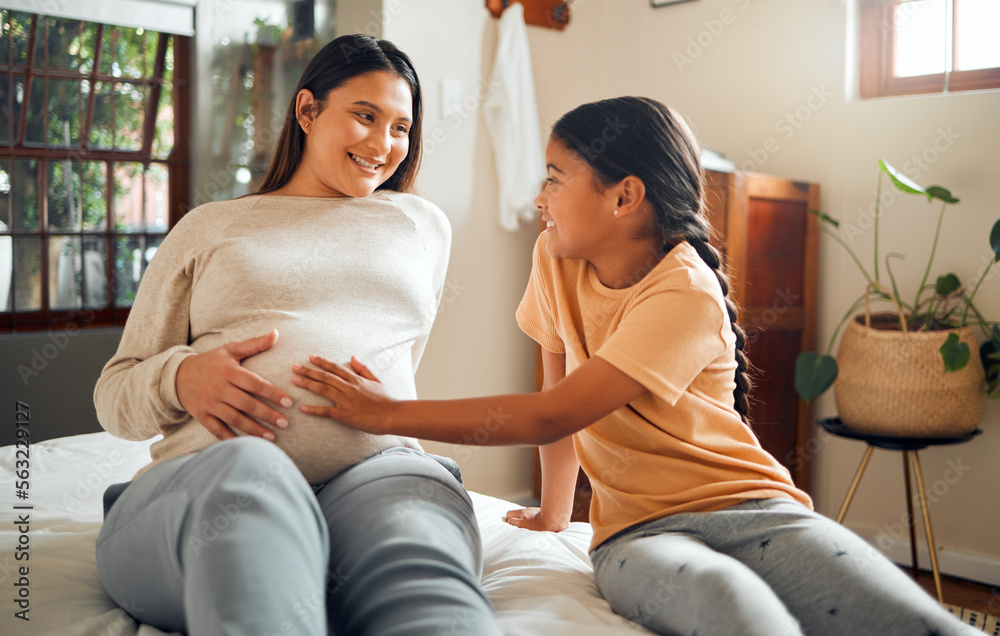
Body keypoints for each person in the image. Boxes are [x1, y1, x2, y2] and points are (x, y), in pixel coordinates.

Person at [290, 96, 977, 636]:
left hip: (757, 510)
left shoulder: (682, 289)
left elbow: (558, 411)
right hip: (638, 537)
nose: (540, 198)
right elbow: (553, 395)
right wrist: (555, 513)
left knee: (908, 620)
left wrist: (384, 413)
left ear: (624, 197)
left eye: (556, 180)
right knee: (732, 606)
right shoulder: (554, 260)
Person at [93, 34, 502, 636]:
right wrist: (180, 376)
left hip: (379, 475)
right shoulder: (210, 227)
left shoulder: (420, 227)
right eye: (365, 116)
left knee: (421, 561)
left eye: (400, 128)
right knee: (254, 483)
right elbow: (115, 399)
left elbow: (398, 360)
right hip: (219, 478)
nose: (383, 144)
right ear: (308, 111)